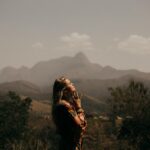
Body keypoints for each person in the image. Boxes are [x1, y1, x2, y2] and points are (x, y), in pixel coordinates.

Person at [52, 77, 87, 150]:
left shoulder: (61, 105)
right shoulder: (65, 106)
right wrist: (79, 108)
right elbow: (80, 126)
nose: (73, 84)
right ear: (65, 91)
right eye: (70, 83)